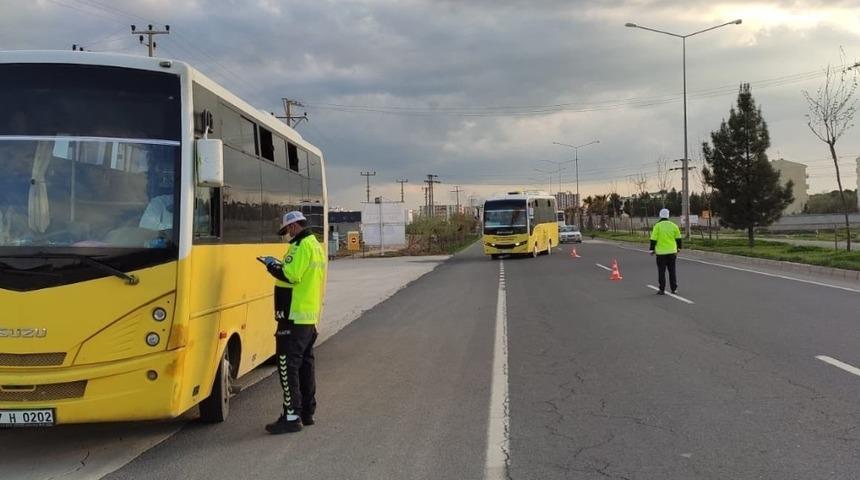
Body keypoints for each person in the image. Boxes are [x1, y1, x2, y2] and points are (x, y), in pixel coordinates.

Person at [262, 211, 327, 434]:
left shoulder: (299, 247)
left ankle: (291, 416)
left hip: (293, 317)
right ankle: (307, 412)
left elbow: (290, 275)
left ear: (292, 227)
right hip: (308, 316)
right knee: (305, 365)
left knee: (287, 366)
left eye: (287, 231)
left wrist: (271, 265)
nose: (287, 235)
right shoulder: (316, 246)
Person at [649, 208, 682, 295]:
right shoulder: (674, 225)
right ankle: (674, 289)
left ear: (660, 215)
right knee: (672, 271)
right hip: (672, 252)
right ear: (668, 216)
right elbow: (678, 238)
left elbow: (653, 239)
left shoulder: (657, 226)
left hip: (661, 254)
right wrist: (679, 248)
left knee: (661, 271)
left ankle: (662, 289)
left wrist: (652, 249)